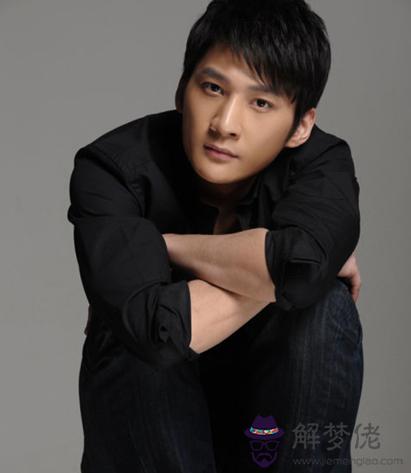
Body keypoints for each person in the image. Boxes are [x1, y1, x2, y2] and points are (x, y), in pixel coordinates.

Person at [67, 0, 363, 471]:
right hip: (148, 432)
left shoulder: (321, 164)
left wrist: (164, 245)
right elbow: (156, 333)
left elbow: (302, 269)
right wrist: (287, 274)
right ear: (182, 89)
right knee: (123, 331)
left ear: (301, 126)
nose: (225, 125)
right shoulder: (112, 169)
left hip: (272, 428)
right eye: (212, 88)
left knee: (324, 306)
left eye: (261, 103)